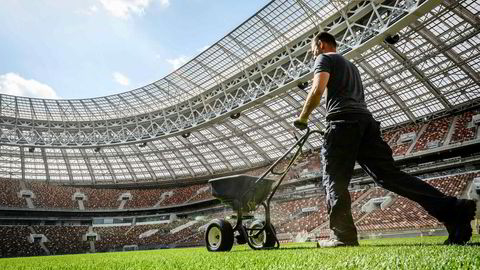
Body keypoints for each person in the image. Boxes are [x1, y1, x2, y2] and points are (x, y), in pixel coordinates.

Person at [293, 32, 477, 247]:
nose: (312, 53)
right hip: (366, 123)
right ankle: (454, 210)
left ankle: (343, 237)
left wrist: (303, 118)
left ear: (321, 44)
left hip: (342, 124)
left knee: (334, 181)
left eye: (312, 49)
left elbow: (317, 88)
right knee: (389, 176)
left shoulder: (324, 58)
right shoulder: (352, 66)